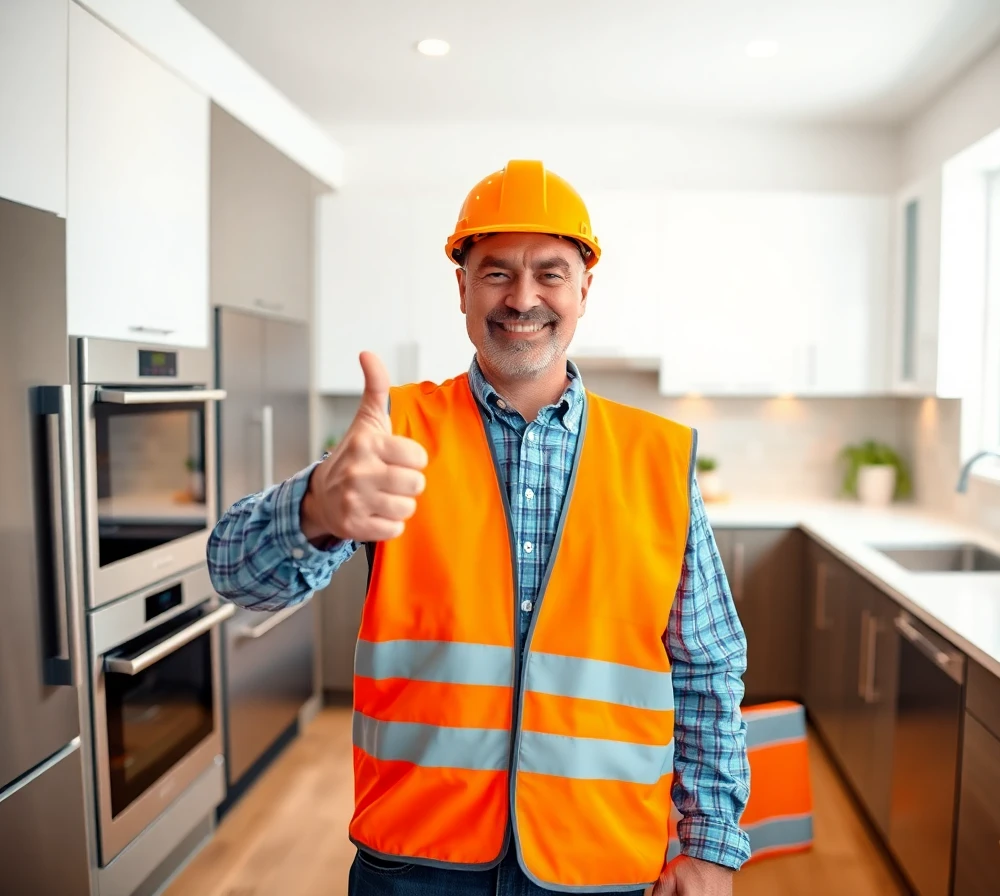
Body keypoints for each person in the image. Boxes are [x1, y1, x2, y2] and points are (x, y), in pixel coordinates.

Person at [206, 159, 751, 896]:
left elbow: (706, 667)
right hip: (416, 862)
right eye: (496, 272)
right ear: (461, 285)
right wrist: (313, 510)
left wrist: (711, 842)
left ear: (585, 288)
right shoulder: (395, 434)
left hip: (601, 864)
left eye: (550, 273)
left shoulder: (658, 457)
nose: (523, 298)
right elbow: (235, 575)